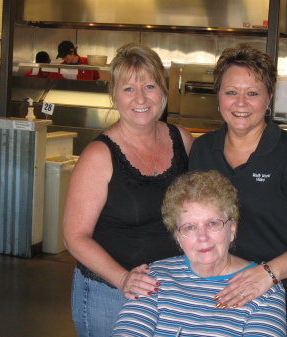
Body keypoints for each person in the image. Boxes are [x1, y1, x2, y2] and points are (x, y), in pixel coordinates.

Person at [189, 44, 287, 336]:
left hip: (282, 305)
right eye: (231, 92)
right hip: (214, 301)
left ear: (268, 98)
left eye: (253, 93)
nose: (241, 103)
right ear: (218, 96)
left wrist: (267, 274)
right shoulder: (203, 150)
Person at [62, 42, 194, 337]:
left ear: (163, 91)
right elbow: (74, 236)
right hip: (112, 294)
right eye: (128, 89)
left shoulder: (182, 139)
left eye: (149, 86)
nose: (141, 98)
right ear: (114, 96)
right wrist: (123, 279)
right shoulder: (99, 155)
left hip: (173, 289)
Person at [112, 170, 286, 337]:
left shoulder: (263, 287)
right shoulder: (154, 278)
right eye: (189, 227)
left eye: (212, 223)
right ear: (177, 237)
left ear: (232, 228)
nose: (203, 237)